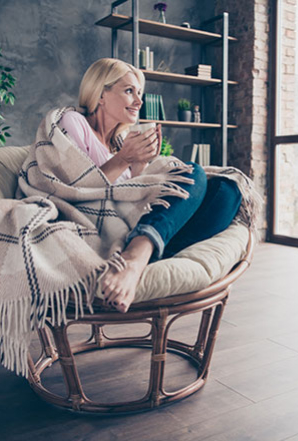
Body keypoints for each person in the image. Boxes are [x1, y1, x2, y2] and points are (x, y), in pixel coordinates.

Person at [58, 58, 242, 313]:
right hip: (105, 227)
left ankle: (145, 251)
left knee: (227, 191)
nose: (139, 101)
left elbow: (133, 192)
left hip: (139, 222)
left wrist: (139, 165)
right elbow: (76, 189)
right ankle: (135, 257)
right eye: (129, 91)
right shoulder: (74, 122)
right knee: (193, 172)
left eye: (140, 93)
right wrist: (124, 159)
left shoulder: (119, 140)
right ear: (101, 94)